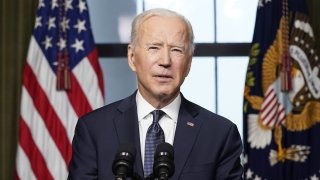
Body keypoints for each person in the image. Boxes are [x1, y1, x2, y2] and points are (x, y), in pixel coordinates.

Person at [68, 8, 243, 180]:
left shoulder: (220, 134)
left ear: (188, 63)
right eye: (154, 48)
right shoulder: (94, 129)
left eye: (176, 50)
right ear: (132, 57)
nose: (165, 61)